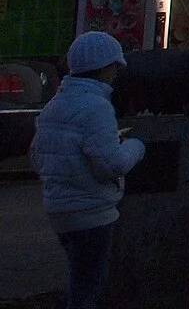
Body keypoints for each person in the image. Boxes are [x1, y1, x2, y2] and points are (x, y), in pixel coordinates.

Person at [31, 31, 145, 309]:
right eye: (114, 65)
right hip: (91, 213)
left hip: (59, 210)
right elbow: (112, 164)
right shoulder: (97, 108)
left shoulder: (54, 105)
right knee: (88, 287)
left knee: (78, 279)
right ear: (103, 66)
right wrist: (135, 146)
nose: (117, 72)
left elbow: (37, 155)